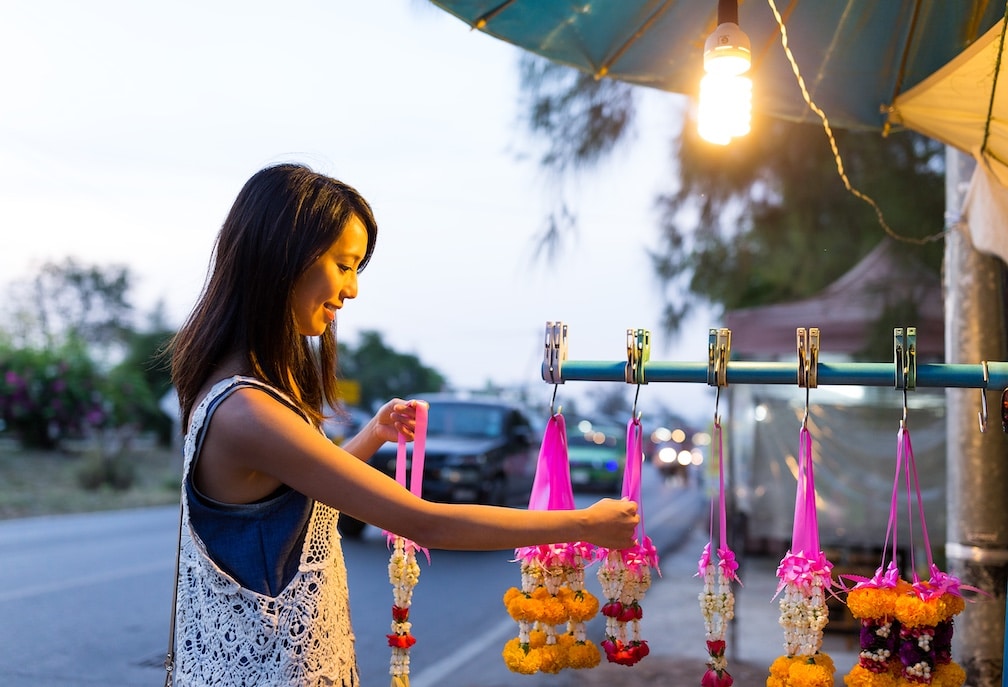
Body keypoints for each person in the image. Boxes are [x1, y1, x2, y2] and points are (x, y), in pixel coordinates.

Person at [167, 162, 639, 686]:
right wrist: (584, 525)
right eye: (344, 264)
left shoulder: (238, 395)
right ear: (285, 255)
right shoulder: (246, 412)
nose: (351, 290)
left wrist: (371, 436)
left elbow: (293, 494)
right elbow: (424, 522)